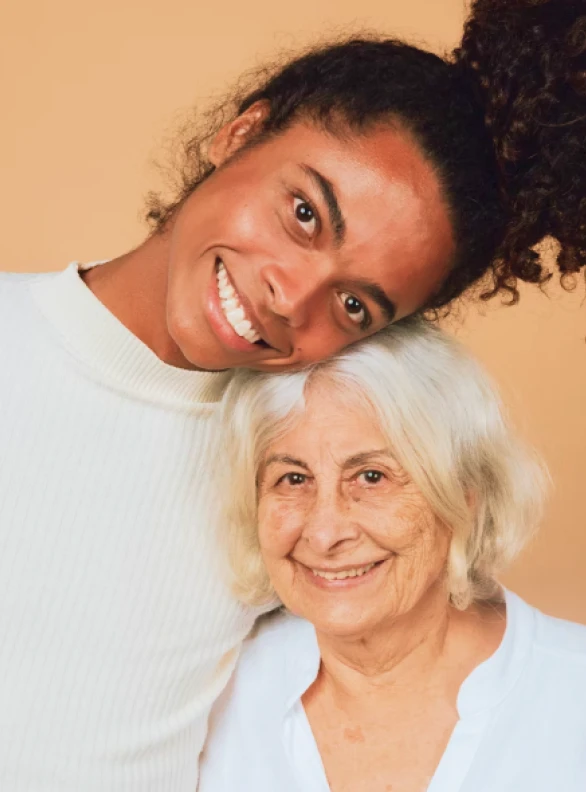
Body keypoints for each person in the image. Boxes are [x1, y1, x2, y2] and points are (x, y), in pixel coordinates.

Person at [0, 0, 585, 789]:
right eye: (305, 213)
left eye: (353, 305)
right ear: (240, 133)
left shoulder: (290, 480)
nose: (288, 293)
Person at [198, 318, 586, 792]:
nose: (324, 533)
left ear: (464, 493)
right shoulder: (206, 697)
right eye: (293, 479)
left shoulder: (573, 691)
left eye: (371, 477)